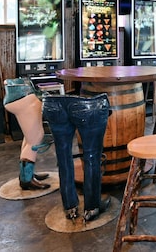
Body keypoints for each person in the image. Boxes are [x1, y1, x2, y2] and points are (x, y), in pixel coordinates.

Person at [42, 93, 111, 222]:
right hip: (89, 107)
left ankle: (70, 207)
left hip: (52, 104)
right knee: (92, 156)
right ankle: (92, 207)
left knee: (63, 155)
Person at [3, 78, 52, 190]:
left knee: (30, 137)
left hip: (18, 94)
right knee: (34, 139)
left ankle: (27, 174)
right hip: (25, 97)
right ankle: (26, 180)